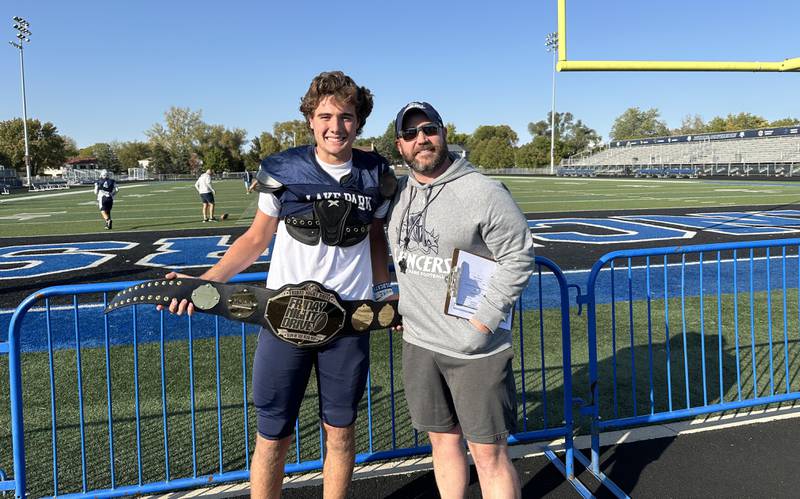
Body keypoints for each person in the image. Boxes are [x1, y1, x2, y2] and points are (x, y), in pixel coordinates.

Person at [163, 71, 395, 499]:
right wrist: (205, 281)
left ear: (358, 122)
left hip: (347, 326)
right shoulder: (283, 168)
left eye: (346, 117)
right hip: (284, 319)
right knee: (273, 437)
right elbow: (255, 239)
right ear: (310, 119)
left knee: (340, 434)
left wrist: (386, 294)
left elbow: (376, 241)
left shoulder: (375, 174)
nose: (336, 126)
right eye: (326, 115)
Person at [387, 101, 535, 499]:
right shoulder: (400, 194)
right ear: (399, 146)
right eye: (411, 134)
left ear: (443, 133)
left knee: (489, 456)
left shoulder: (482, 191)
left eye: (429, 129)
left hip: (474, 350)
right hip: (420, 343)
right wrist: (400, 303)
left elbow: (519, 256)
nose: (422, 139)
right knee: (443, 443)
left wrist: (484, 320)